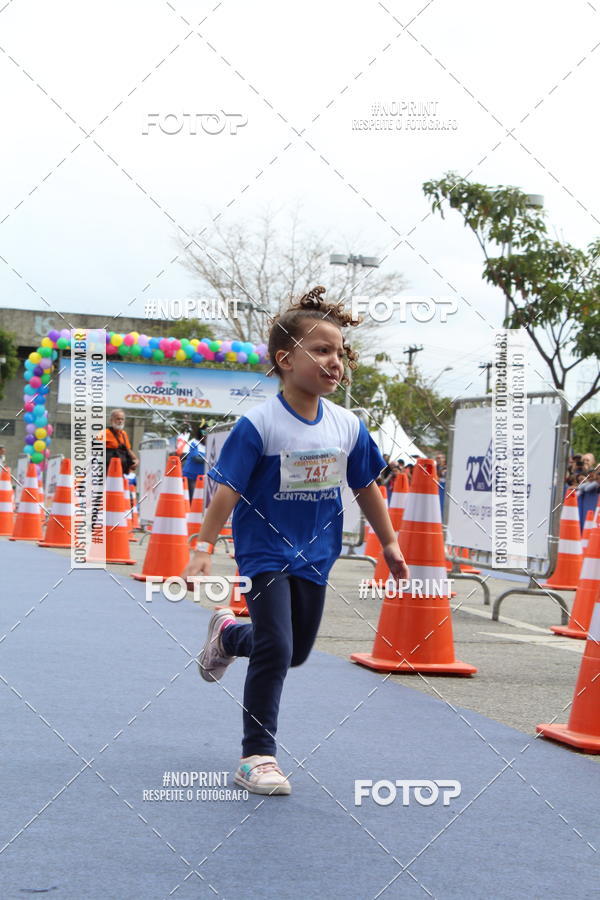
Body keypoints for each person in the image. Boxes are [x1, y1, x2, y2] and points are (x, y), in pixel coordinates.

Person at [182, 285, 409, 797]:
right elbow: (228, 490)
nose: (335, 362)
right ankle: (256, 756)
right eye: (322, 350)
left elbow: (366, 484)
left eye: (339, 353)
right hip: (264, 550)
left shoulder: (348, 425)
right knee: (278, 646)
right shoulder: (259, 423)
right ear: (285, 360)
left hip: (317, 552)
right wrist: (202, 547)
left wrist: (390, 543)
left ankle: (227, 636)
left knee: (295, 651)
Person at [104, 409, 138, 474]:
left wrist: (135, 459)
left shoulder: (124, 434)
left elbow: (128, 450)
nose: (120, 421)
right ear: (111, 420)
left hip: (120, 470)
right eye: (118, 419)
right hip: (107, 471)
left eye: (122, 419)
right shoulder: (105, 433)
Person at [182, 423, 207, 501]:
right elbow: (195, 458)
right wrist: (209, 459)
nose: (206, 435)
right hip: (191, 476)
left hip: (202, 478)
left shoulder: (210, 444)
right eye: (204, 432)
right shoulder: (194, 443)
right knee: (192, 500)